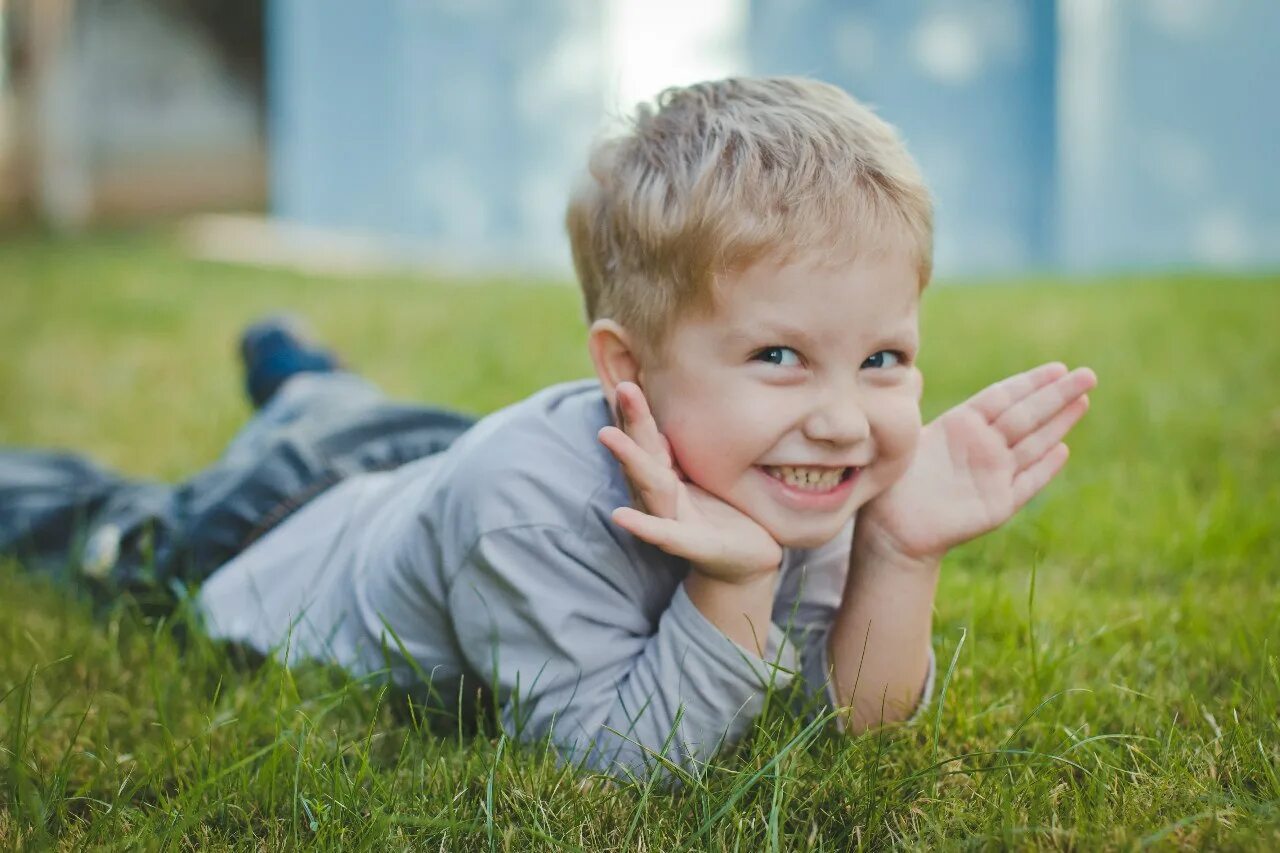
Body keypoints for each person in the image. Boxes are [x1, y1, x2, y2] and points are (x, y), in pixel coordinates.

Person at [0, 77, 1096, 780]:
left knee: (352, 419)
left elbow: (845, 725)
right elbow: (614, 758)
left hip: (416, 459)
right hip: (269, 529)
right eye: (777, 356)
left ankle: (304, 377)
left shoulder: (804, 466)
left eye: (882, 360)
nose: (846, 418)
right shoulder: (522, 507)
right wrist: (731, 584)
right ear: (626, 366)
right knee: (108, 530)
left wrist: (898, 555)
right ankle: (287, 399)